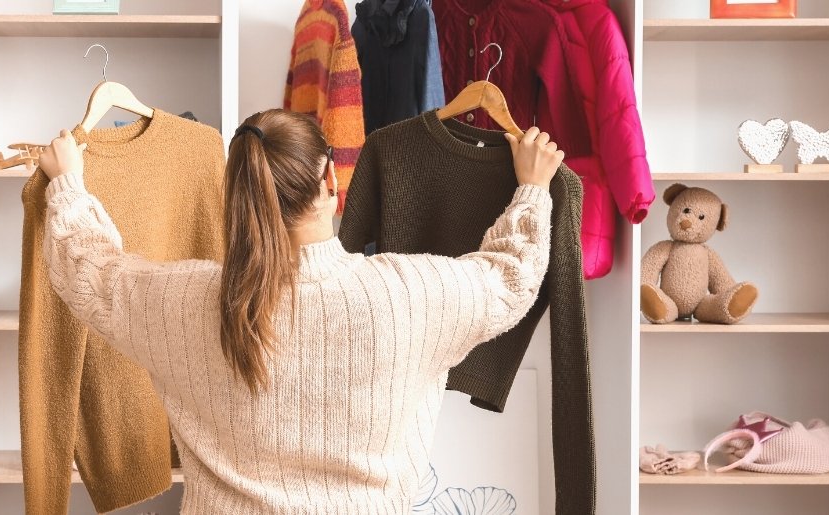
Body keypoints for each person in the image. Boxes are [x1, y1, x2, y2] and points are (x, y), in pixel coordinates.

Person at [38, 109, 562, 513]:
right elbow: (510, 277)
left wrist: (67, 184)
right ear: (331, 182)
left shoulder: (183, 303)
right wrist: (533, 189)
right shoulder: (409, 295)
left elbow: (88, 272)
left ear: (238, 194)